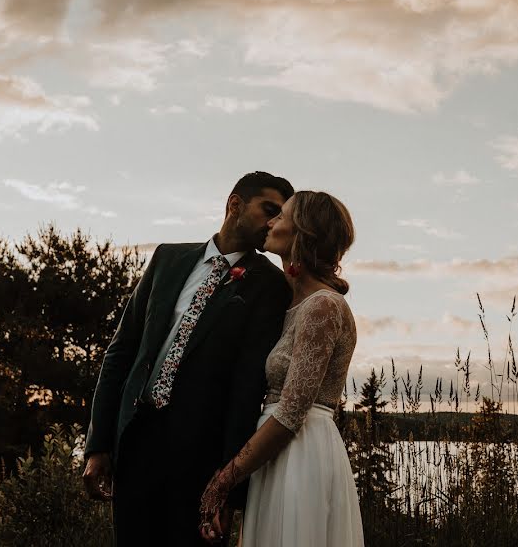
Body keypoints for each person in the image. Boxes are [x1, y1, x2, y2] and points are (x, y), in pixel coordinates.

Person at [82, 171, 295, 546]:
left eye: (280, 216)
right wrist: (98, 443)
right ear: (235, 204)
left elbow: (247, 389)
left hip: (200, 460)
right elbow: (121, 352)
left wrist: (228, 488)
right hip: (135, 444)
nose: (273, 222)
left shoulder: (270, 285)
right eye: (268, 209)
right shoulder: (168, 258)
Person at [198, 190, 364, 547]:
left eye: (282, 216)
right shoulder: (290, 304)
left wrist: (224, 479)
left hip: (302, 453)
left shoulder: (323, 307)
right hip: (275, 455)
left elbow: (291, 413)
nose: (271, 222)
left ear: (303, 232)